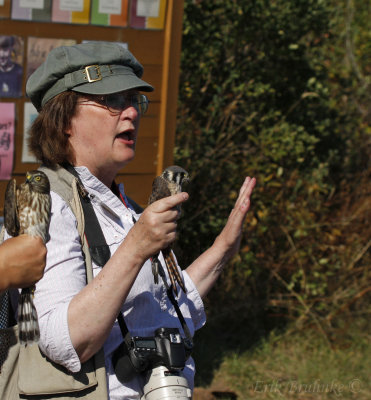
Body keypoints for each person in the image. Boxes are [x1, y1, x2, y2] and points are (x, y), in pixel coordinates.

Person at [5, 42, 256, 398]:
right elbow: (66, 342)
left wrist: (223, 250)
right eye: (111, 101)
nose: (132, 113)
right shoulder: (49, 208)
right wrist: (137, 247)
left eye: (132, 100)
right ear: (63, 122)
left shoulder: (125, 209)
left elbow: (166, 310)